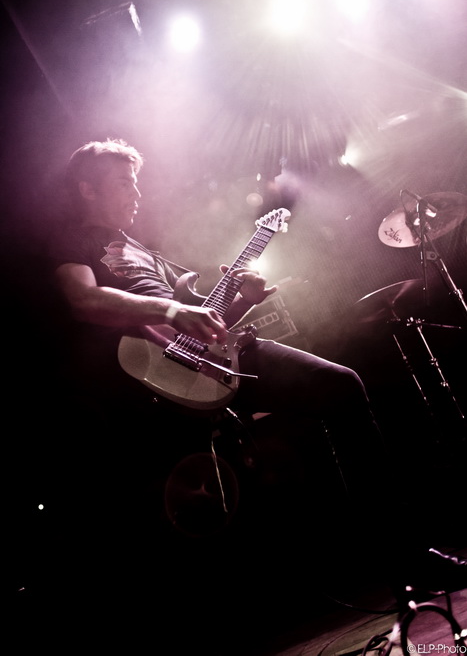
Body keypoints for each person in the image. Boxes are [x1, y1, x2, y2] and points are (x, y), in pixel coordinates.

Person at [46, 138, 465, 621]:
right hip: (143, 380)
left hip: (208, 361)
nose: (136, 193)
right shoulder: (72, 241)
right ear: (88, 189)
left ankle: (403, 556)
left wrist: (243, 299)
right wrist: (171, 309)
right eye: (124, 183)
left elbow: (206, 324)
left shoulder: (148, 253)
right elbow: (84, 300)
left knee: (342, 387)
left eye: (136, 183)